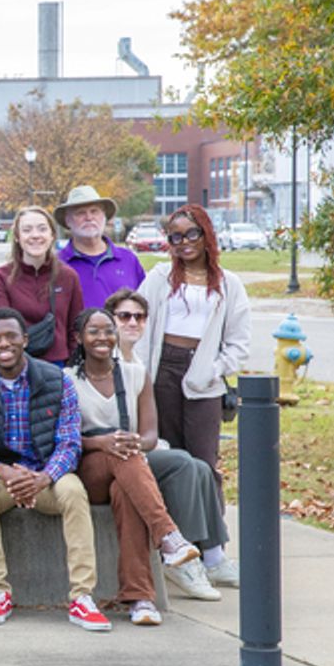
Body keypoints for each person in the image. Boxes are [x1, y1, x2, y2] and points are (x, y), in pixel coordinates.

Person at [0, 307, 109, 631]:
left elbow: (69, 443)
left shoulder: (57, 381)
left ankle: (82, 597)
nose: (4, 343)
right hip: (1, 478)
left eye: (11, 336)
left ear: (25, 339)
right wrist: (4, 472)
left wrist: (44, 477)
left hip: (45, 475)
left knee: (73, 491)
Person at [135, 203, 250, 595]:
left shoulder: (228, 284)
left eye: (190, 234)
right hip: (161, 372)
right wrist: (140, 374)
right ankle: (180, 549)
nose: (183, 243)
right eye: (175, 237)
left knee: (205, 464)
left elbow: (239, 343)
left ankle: (214, 551)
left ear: (206, 234)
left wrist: (213, 369)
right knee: (171, 458)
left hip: (203, 379)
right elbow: (136, 322)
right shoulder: (160, 277)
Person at [67, 308, 204, 625]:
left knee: (127, 493)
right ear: (79, 338)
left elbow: (151, 435)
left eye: (108, 330)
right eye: (93, 331)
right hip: (87, 468)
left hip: (127, 465)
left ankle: (140, 599)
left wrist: (132, 442)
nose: (102, 337)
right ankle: (168, 535)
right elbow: (66, 439)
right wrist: (103, 443)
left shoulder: (134, 373)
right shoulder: (67, 381)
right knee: (121, 453)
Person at [106, 287, 236, 599]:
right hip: (113, 454)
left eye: (139, 317)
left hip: (139, 447)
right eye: (124, 316)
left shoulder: (139, 361)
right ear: (110, 321)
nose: (133, 322)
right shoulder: (104, 362)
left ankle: (213, 556)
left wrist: (150, 442)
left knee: (200, 468)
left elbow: (146, 426)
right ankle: (179, 560)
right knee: (181, 465)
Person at [0, 205, 83, 365]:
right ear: (17, 236)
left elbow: (75, 330)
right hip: (17, 367)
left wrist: (72, 368)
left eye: (42, 229)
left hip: (58, 367)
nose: (35, 235)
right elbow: (2, 331)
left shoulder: (68, 276)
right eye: (27, 230)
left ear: (52, 235)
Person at [55, 185, 146, 311]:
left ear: (104, 217)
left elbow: (144, 307)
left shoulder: (128, 260)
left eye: (94, 211)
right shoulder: (56, 264)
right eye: (80, 213)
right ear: (68, 221)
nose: (89, 218)